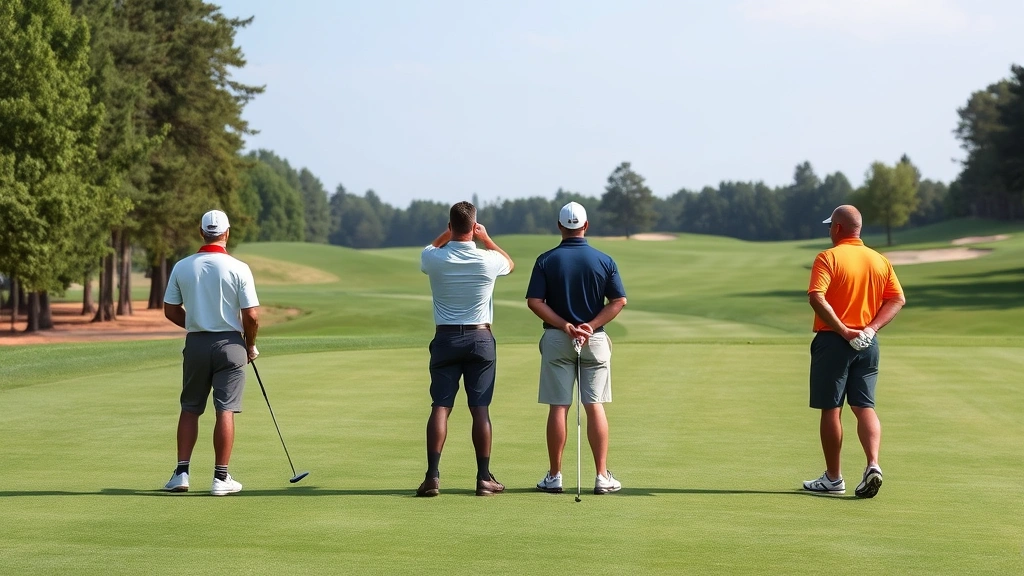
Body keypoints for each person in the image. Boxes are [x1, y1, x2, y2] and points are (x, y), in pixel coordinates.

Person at [803, 205, 905, 498]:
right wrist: (871, 329)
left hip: (835, 342)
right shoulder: (879, 260)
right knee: (864, 406)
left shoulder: (828, 257)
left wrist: (844, 330)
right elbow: (897, 299)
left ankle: (833, 479)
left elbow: (816, 297)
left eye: (829, 227)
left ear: (837, 228)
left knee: (831, 409)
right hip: (868, 343)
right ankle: (873, 464)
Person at [526, 202, 627, 495]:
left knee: (559, 405)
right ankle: (601, 477)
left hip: (558, 340)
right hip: (594, 341)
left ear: (560, 226)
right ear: (586, 225)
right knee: (593, 405)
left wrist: (565, 326)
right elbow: (619, 301)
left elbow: (535, 302)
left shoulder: (546, 260)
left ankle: (555, 476)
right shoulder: (604, 260)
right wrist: (590, 326)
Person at [416, 201, 514, 497]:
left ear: (449, 227)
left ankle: (432, 477)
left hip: (445, 339)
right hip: (480, 339)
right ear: (474, 226)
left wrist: (446, 235)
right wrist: (485, 238)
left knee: (441, 407)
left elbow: (429, 249)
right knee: (479, 409)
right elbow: (509, 263)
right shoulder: (488, 259)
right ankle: (484, 478)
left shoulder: (434, 258)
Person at [162, 210, 260, 496]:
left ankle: (181, 473)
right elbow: (251, 316)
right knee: (225, 409)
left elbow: (169, 310)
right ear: (227, 233)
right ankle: (220, 478)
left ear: (201, 232)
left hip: (196, 344)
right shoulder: (239, 268)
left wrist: (194, 323)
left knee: (190, 408)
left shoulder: (182, 266)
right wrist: (250, 345)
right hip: (231, 345)